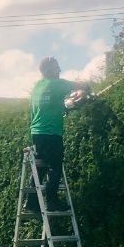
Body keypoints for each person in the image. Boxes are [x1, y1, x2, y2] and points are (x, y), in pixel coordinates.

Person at [29, 57, 85, 212]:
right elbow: (80, 85)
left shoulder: (37, 87)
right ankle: (52, 201)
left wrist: (64, 104)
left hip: (36, 132)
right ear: (49, 70)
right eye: (57, 67)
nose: (59, 70)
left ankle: (32, 202)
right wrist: (81, 91)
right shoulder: (57, 84)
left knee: (40, 167)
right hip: (52, 133)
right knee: (55, 166)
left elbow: (45, 108)